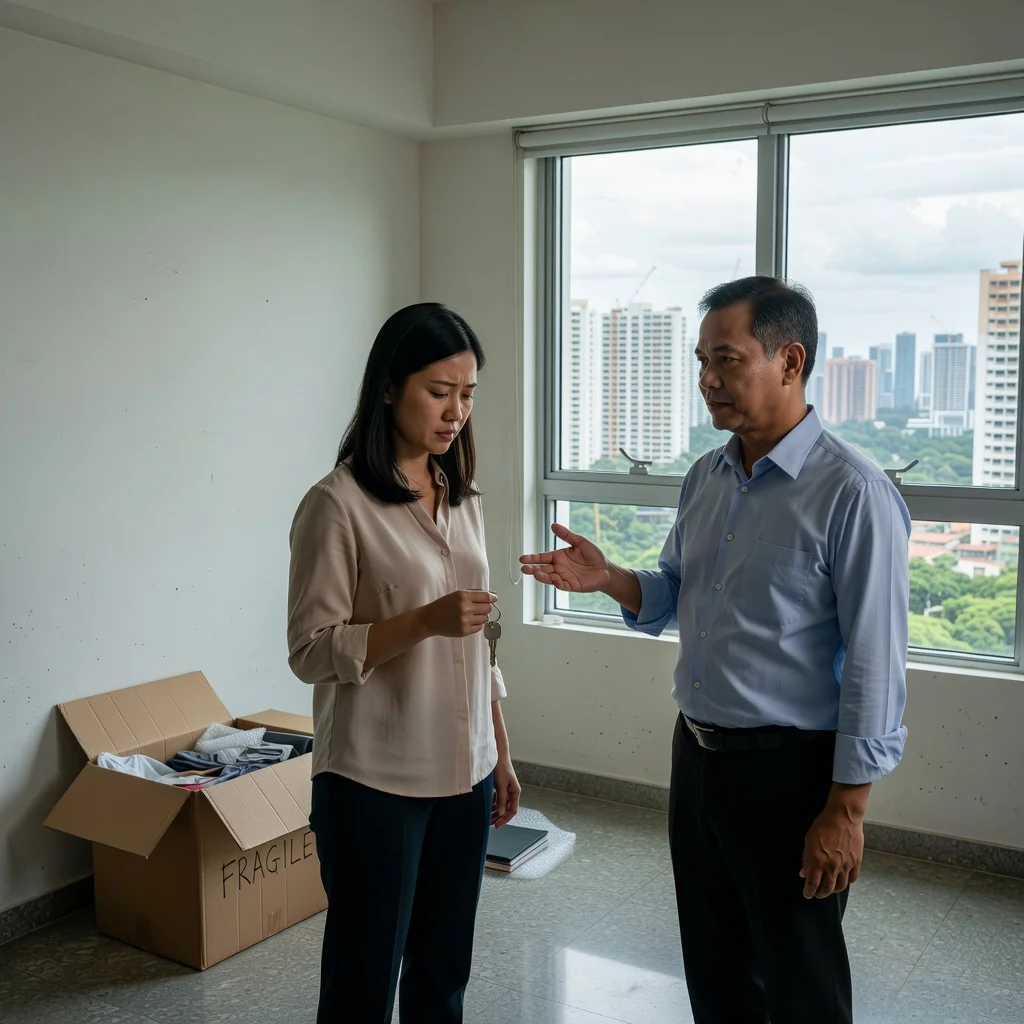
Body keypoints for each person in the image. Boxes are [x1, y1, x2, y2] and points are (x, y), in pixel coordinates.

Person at [521, 277, 910, 1024]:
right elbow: (672, 592)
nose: (706, 380)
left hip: (791, 773)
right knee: (717, 968)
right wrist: (610, 580)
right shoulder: (707, 476)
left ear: (790, 362)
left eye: (726, 360)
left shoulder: (852, 493)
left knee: (800, 979)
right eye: (702, 360)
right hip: (697, 761)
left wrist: (847, 810)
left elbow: (873, 663)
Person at [288, 302, 520, 1024]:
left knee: (444, 974)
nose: (457, 412)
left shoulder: (463, 496)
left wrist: (501, 755)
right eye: (439, 391)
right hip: (374, 780)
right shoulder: (336, 505)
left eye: (469, 393)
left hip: (466, 773)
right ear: (389, 387)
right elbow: (309, 651)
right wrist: (420, 622)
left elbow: (479, 644)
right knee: (363, 980)